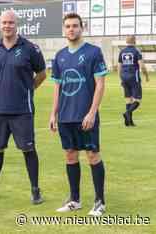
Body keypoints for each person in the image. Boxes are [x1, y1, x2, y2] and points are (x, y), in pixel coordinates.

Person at [0, 10, 47, 204]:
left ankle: (35, 191)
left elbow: (41, 73)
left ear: (17, 25)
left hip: (22, 111)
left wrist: (29, 89)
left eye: (11, 23)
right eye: (4, 23)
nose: (7, 26)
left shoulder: (30, 48)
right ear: (0, 25)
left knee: (28, 150)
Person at [49, 13, 108, 216]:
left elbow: (100, 85)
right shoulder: (59, 56)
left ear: (82, 28)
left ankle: (100, 202)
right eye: (68, 26)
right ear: (64, 30)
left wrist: (92, 113)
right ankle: (75, 200)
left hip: (86, 116)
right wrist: (53, 114)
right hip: (66, 116)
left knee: (92, 155)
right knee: (70, 156)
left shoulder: (93, 52)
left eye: (75, 26)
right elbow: (57, 87)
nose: (71, 29)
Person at [118, 35, 149, 126]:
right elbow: (142, 66)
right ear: (134, 41)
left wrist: (121, 78)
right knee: (138, 100)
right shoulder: (136, 51)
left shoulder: (122, 52)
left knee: (128, 100)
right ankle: (127, 113)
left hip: (124, 77)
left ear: (126, 41)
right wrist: (146, 76)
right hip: (133, 77)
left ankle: (128, 122)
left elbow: (119, 66)